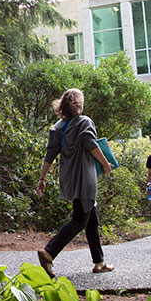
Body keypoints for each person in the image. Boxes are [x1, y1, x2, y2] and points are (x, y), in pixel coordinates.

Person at [36, 88, 114, 277]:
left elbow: (50, 154)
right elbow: (91, 144)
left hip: (68, 178)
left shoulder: (58, 127)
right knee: (80, 220)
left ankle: (99, 262)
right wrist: (105, 164)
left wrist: (42, 178)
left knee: (91, 218)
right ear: (78, 104)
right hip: (84, 178)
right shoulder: (84, 122)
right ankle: (49, 252)